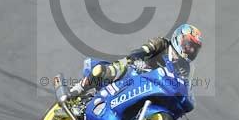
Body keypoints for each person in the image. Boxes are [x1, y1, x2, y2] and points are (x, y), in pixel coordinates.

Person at [69, 24, 203, 102]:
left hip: (153, 87)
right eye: (189, 44)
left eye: (194, 48)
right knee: (117, 67)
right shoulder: (162, 44)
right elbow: (142, 51)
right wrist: (137, 60)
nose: (191, 50)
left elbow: (183, 85)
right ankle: (79, 88)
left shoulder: (185, 67)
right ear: (179, 38)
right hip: (136, 72)